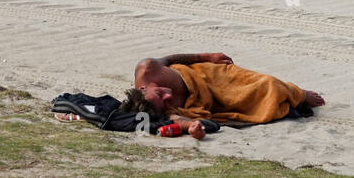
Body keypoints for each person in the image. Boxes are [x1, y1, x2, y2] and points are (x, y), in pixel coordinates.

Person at [125, 52, 324, 139]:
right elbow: (176, 119)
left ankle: (300, 94)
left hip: (205, 75)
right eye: (165, 103)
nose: (168, 98)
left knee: (268, 83)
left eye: (161, 93)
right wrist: (192, 128)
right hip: (205, 101)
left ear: (143, 88)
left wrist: (206, 56)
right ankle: (291, 100)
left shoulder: (147, 69)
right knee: (259, 98)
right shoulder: (157, 107)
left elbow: (169, 59)